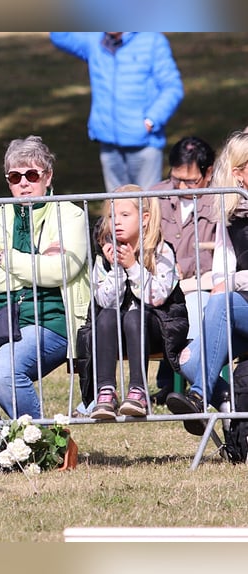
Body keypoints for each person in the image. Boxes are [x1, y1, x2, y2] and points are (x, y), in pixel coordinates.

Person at [0, 136, 91, 421]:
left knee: (3, 370)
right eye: (15, 177)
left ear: (48, 176)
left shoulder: (70, 214)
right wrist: (37, 268)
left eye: (32, 174)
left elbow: (62, 270)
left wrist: (9, 260)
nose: (24, 184)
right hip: (0, 324)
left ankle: (37, 441)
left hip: (52, 323)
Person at [168, 130, 248, 434]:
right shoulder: (231, 211)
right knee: (187, 358)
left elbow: (228, 281)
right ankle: (227, 404)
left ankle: (199, 396)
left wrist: (234, 281)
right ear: (238, 173)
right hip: (241, 309)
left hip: (236, 303)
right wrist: (229, 281)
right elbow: (221, 271)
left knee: (222, 300)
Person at [88, 186, 189, 420]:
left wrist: (133, 266)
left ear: (144, 219)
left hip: (157, 330)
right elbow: (103, 300)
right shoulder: (105, 253)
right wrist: (115, 268)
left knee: (134, 316)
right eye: (113, 216)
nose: (117, 222)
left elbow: (157, 297)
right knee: (106, 315)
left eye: (125, 215)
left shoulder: (161, 250)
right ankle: (105, 392)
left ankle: (138, 391)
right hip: (115, 334)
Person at [50, 32, 184, 192]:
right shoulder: (96, 40)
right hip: (108, 143)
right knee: (117, 209)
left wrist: (151, 121)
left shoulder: (152, 41)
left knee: (147, 207)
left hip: (144, 144)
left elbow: (172, 88)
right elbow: (60, 36)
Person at [150, 136, 220, 404]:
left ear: (209, 172)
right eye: (175, 178)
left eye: (190, 182)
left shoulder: (222, 199)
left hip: (201, 287)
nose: (180, 187)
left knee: (195, 306)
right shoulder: (154, 195)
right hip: (159, 285)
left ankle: (192, 385)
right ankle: (167, 384)